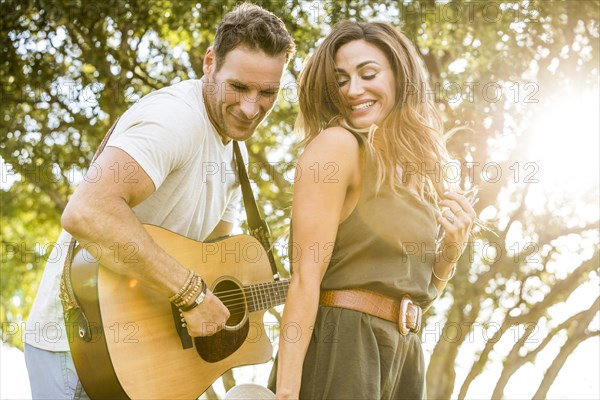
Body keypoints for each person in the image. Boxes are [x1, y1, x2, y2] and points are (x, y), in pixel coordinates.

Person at [24, 3, 295, 399]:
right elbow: (87, 211)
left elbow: (216, 257)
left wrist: (285, 294)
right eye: (238, 87)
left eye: (267, 92)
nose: (252, 108)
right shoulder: (176, 119)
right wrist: (191, 294)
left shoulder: (233, 156)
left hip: (149, 359)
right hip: (79, 347)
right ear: (209, 64)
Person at [272, 21, 476, 399]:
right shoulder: (337, 147)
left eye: (368, 74)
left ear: (400, 77)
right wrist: (285, 392)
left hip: (403, 353)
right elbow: (304, 279)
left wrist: (450, 253)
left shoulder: (417, 176)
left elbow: (418, 296)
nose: (353, 90)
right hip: (343, 346)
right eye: (341, 80)